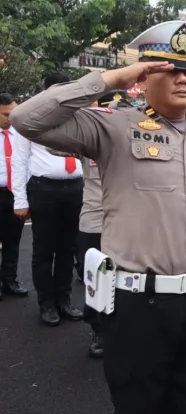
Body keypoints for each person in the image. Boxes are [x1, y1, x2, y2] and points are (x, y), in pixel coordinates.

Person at [11, 20, 186, 413]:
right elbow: (27, 119)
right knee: (138, 402)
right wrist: (111, 78)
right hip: (139, 304)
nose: (183, 78)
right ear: (143, 77)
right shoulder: (114, 126)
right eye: (168, 69)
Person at [11, 72, 84, 326]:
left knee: (68, 248)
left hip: (74, 188)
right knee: (44, 250)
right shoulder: (29, 117)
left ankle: (64, 300)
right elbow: (19, 160)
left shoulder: (77, 116)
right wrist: (20, 200)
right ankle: (46, 304)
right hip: (44, 189)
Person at [75, 90, 134, 359]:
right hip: (95, 219)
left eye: (125, 110)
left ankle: (125, 330)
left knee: (128, 280)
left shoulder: (140, 140)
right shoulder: (89, 140)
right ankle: (98, 330)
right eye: (113, 110)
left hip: (131, 221)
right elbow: (45, 128)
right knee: (96, 279)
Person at [0, 93, 27, 300]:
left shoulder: (22, 133)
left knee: (12, 240)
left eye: (13, 114)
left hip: (15, 193)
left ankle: (9, 281)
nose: (10, 118)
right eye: (5, 114)